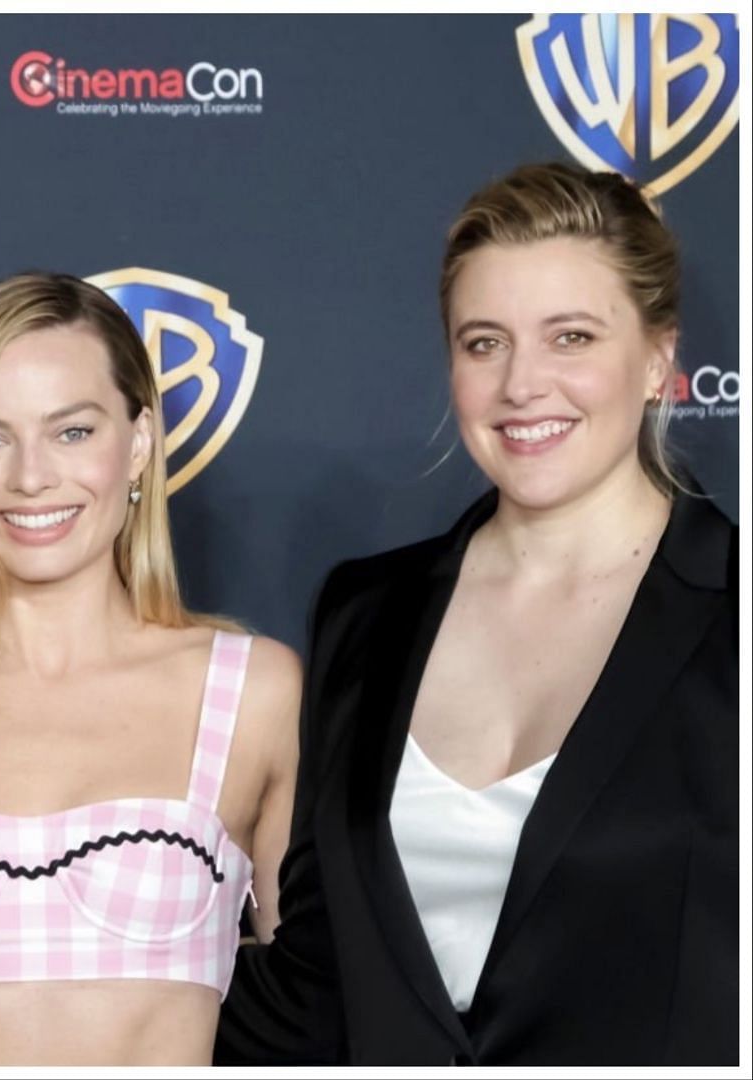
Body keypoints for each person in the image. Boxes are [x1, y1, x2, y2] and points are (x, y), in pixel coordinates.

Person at [217, 162, 738, 1065]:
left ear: (658, 359)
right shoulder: (364, 613)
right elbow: (314, 973)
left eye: (570, 336)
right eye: (485, 342)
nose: (522, 384)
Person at [0, 272, 300, 1065]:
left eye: (72, 432)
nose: (30, 477)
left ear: (138, 444)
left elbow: (310, 1018)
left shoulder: (251, 694)